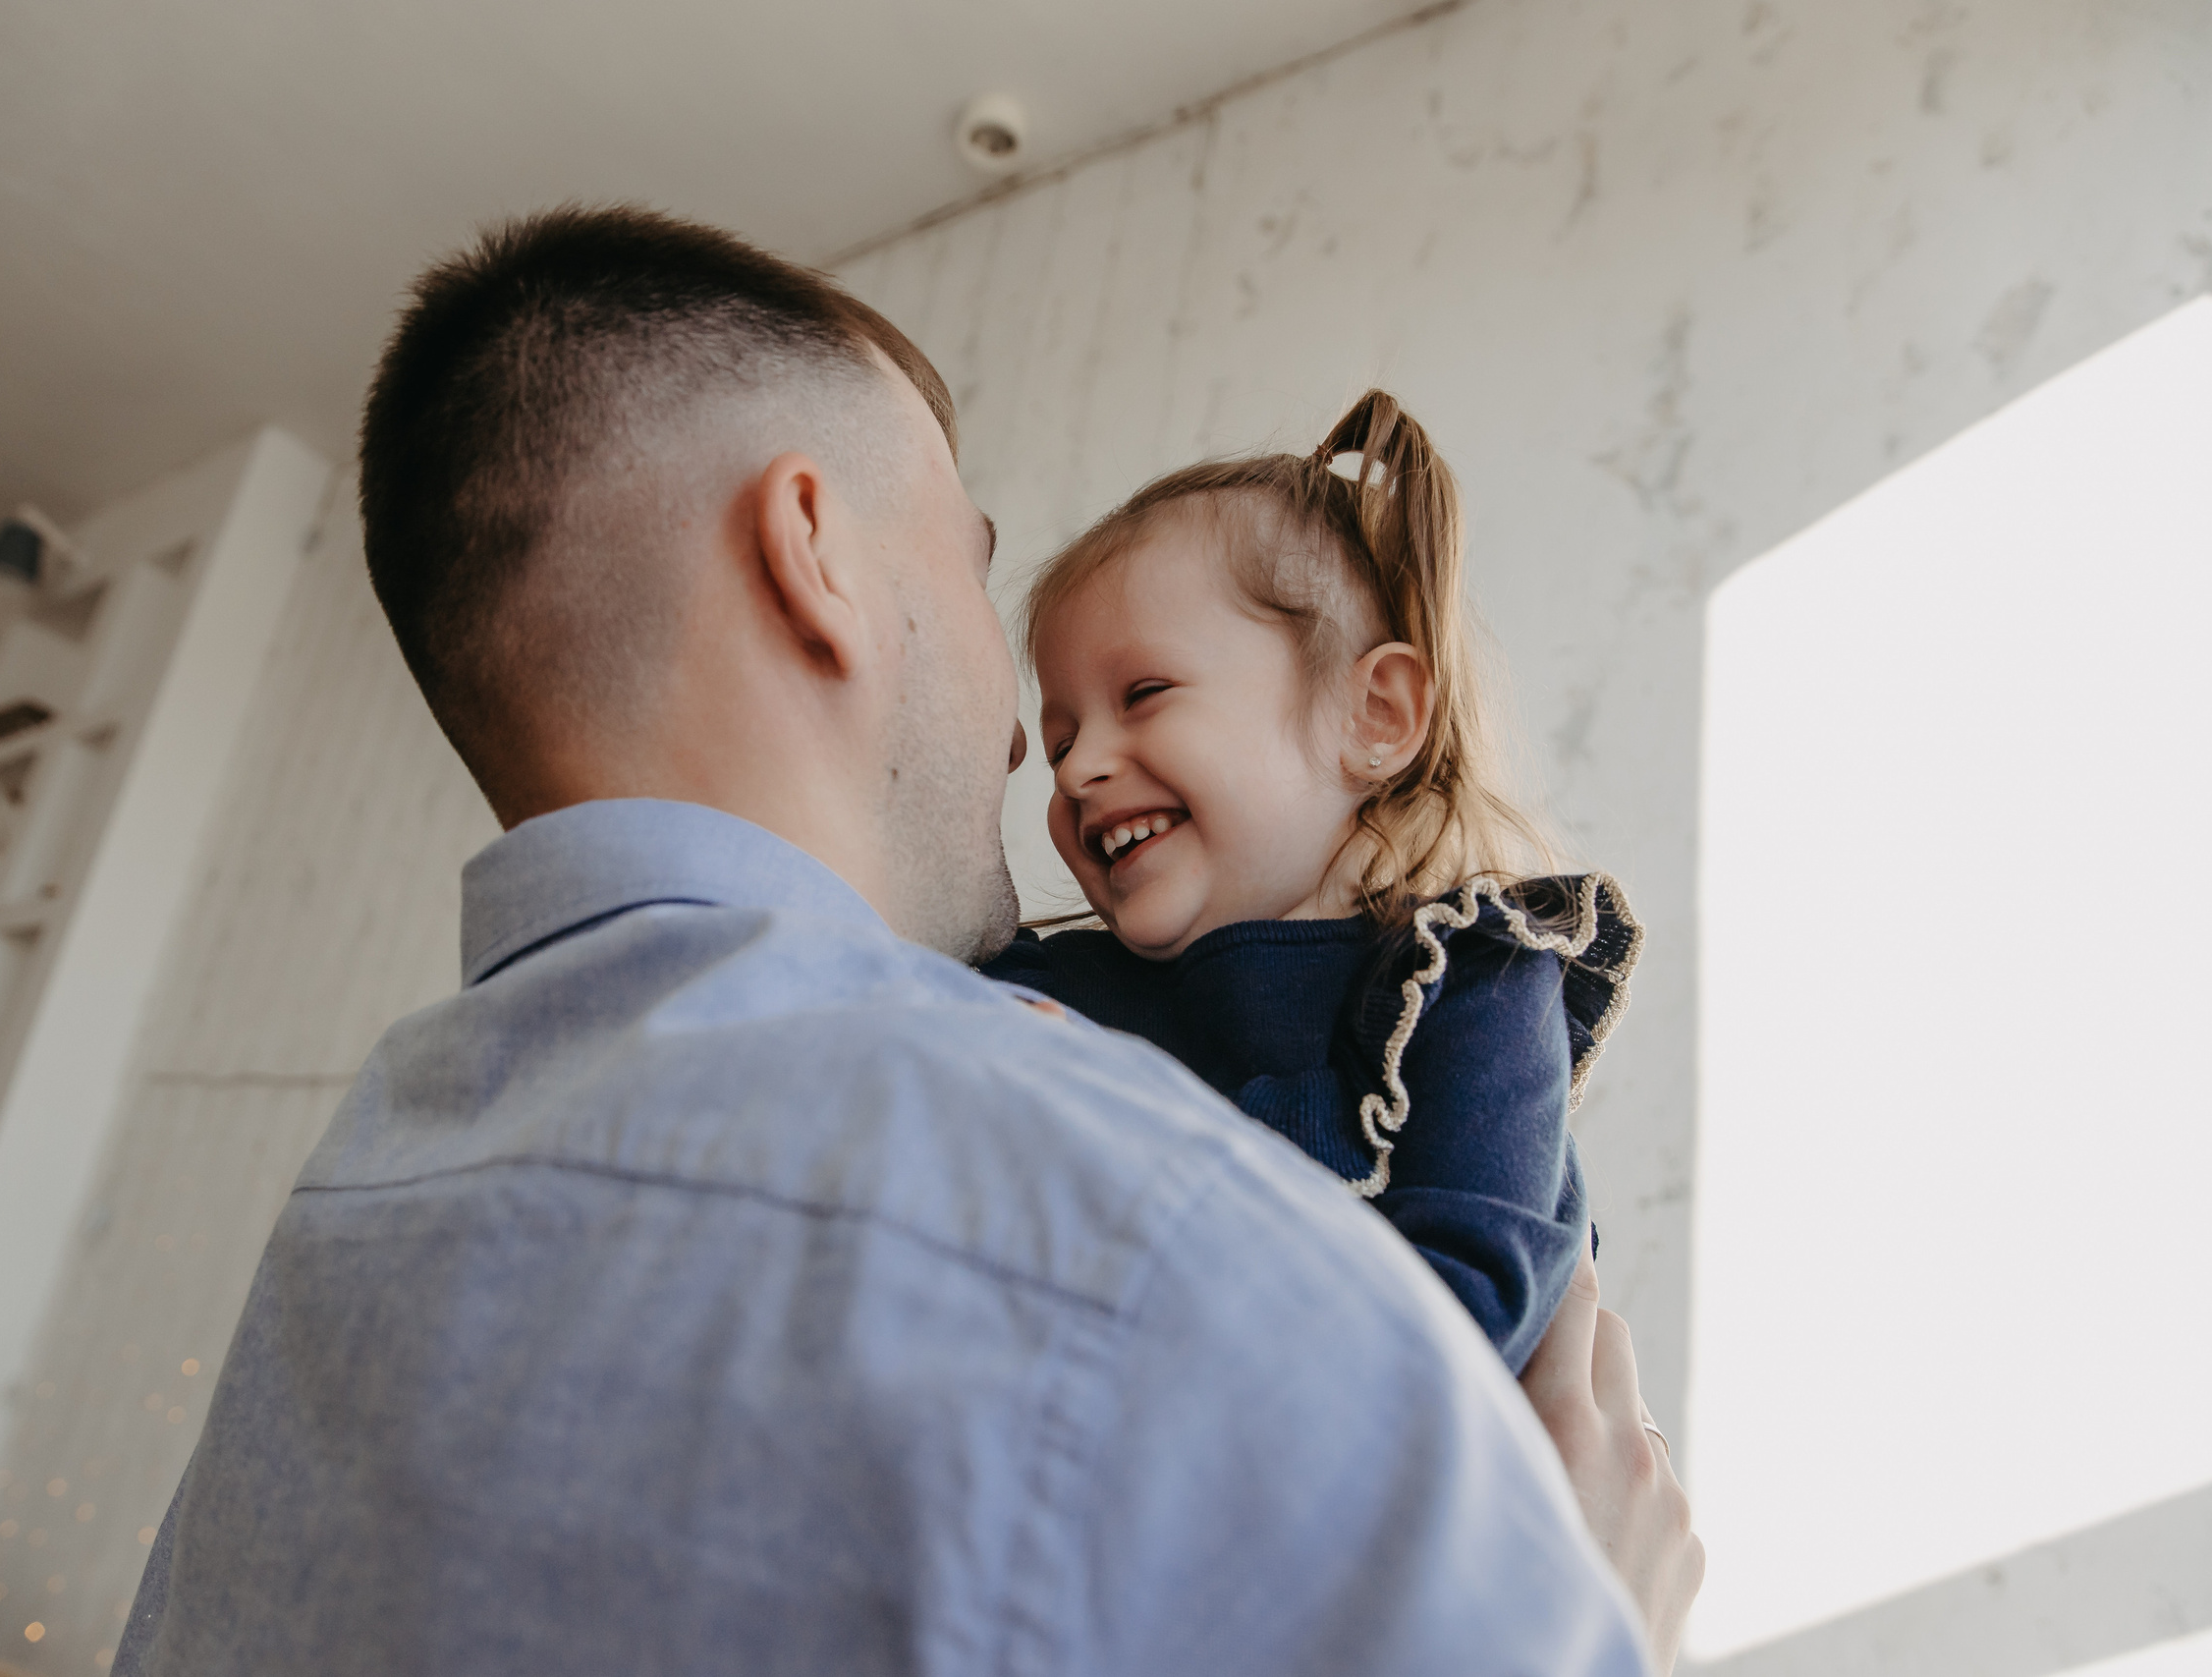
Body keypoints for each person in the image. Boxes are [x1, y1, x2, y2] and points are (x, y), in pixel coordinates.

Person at [115, 205, 1698, 1676]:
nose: (1041, 750)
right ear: (815, 551)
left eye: (1137, 695)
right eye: (970, 556)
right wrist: (1581, 1613)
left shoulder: (333, 1247)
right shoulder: (1114, 1205)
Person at [983, 389, 1637, 1374]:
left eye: (1144, 695)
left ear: (1374, 713)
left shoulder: (1471, 983)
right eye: (1063, 739)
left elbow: (1474, 1300)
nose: (1075, 769)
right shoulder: (1049, 992)